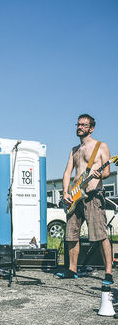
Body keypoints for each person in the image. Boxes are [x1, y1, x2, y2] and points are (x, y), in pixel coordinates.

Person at [57, 114, 113, 284]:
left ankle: (108, 273)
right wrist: (66, 192)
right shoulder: (74, 150)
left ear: (91, 128)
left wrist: (100, 174)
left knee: (100, 234)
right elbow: (68, 172)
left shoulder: (100, 146)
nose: (79, 127)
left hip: (93, 195)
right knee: (71, 235)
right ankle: (72, 270)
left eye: (84, 125)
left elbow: (107, 172)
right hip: (75, 197)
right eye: (78, 124)